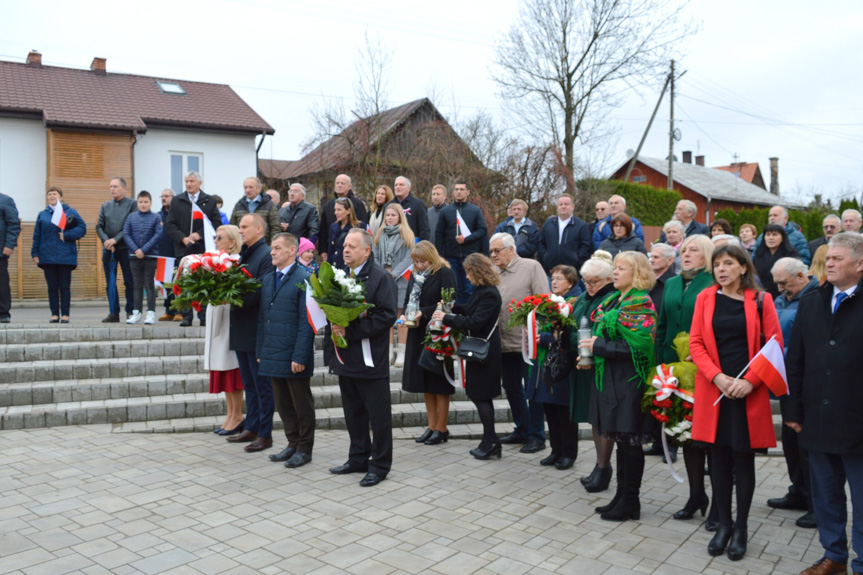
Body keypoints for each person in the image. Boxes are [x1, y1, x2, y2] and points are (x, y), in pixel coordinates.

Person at [689, 244, 782, 561]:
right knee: (717, 460)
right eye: (717, 264)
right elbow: (696, 342)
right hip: (715, 390)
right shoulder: (705, 298)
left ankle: (741, 528)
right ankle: (723, 525)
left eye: (728, 263)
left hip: (747, 393)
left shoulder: (761, 300)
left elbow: (774, 345)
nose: (721, 269)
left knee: (743, 461)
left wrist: (749, 382)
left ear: (744, 267)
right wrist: (718, 377)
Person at [785, 233, 863, 575]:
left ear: (860, 264)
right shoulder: (812, 300)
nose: (828, 263)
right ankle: (834, 557)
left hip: (858, 422)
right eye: (828, 258)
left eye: (837, 259)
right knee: (826, 496)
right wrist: (792, 410)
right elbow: (796, 359)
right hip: (817, 417)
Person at [578, 251, 657, 522]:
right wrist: (590, 354)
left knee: (630, 444)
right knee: (622, 444)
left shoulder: (640, 303)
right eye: (615, 267)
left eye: (621, 268)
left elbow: (639, 347)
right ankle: (621, 497)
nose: (615, 272)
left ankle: (630, 500)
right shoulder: (613, 299)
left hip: (629, 382)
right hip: (609, 378)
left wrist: (597, 346)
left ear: (638, 274)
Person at [653, 235, 716, 522]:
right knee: (685, 435)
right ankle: (695, 495)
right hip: (673, 370)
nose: (687, 254)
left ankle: (718, 504)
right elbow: (663, 325)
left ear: (707, 255)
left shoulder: (713, 282)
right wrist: (659, 366)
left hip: (703, 370)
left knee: (708, 439)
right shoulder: (673, 283)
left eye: (694, 250)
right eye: (685, 250)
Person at [327, 229, 397, 486]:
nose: (346, 250)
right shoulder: (342, 275)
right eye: (345, 245)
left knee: (378, 416)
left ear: (367, 250)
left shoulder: (380, 277)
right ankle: (357, 458)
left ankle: (379, 465)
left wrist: (351, 331)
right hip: (346, 357)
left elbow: (386, 316)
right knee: (353, 412)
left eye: (352, 246)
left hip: (370, 358)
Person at [432, 253, 503, 460]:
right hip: (478, 353)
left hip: (485, 355)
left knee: (482, 397)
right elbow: (472, 312)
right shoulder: (482, 291)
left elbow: (475, 322)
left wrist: (447, 318)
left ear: (477, 271)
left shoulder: (489, 293)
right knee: (478, 395)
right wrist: (454, 307)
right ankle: (489, 440)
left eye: (469, 272)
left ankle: (492, 441)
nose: (467, 276)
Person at [256, 233, 316, 468]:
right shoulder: (269, 279)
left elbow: (307, 321)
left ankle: (305, 447)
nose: (272, 252)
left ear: (293, 250)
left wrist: (300, 355)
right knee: (282, 403)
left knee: (301, 403)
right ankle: (292, 443)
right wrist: (261, 348)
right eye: (272, 248)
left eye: (278, 248)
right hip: (273, 351)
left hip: (293, 354)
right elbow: (263, 317)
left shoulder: (305, 278)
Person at [768, 257, 820, 529]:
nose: (779, 289)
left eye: (784, 283)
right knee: (789, 442)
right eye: (776, 283)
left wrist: (780, 357)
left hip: (804, 381)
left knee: (806, 446)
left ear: (801, 276)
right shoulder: (783, 300)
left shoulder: (817, 299)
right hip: (784, 380)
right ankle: (798, 492)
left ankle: (817, 504)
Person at [490, 232, 550, 453]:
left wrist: (541, 335)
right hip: (503, 343)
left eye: (497, 251)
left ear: (511, 250)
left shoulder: (531, 267)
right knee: (512, 388)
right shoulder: (493, 271)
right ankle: (522, 428)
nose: (493, 255)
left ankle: (537, 435)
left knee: (532, 390)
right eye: (492, 252)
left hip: (528, 343)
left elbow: (544, 301)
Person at [225, 214, 276, 451]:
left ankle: (265, 433)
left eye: (244, 227)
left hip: (256, 330)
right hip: (241, 328)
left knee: (262, 385)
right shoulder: (244, 253)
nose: (240, 230)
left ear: (258, 229)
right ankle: (252, 426)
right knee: (250, 384)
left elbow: (260, 290)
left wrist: (230, 297)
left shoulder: (265, 255)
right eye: (240, 227)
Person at [400, 241, 458, 445]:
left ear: (431, 257)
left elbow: (449, 303)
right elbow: (409, 298)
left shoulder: (444, 272)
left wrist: (422, 312)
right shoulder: (415, 274)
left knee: (439, 382)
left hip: (438, 333)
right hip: (418, 332)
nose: (420, 265)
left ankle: (442, 428)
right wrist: (405, 315)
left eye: (423, 261)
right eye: (416, 261)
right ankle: (431, 426)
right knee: (425, 381)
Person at [524, 264, 580, 469]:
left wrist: (545, 337)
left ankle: (569, 453)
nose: (554, 282)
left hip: (563, 366)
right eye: (553, 278)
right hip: (546, 364)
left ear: (571, 283)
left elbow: (566, 333)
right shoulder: (548, 302)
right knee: (550, 409)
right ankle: (556, 450)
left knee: (564, 412)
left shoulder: (574, 302)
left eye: (559, 278)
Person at [570, 252, 616, 492]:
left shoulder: (610, 299)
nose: (589, 286)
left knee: (601, 420)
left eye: (594, 282)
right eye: (586, 281)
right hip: (581, 364)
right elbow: (572, 324)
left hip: (601, 365)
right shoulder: (582, 298)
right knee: (593, 420)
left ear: (609, 279)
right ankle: (600, 466)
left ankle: (604, 466)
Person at [201, 225, 246, 436]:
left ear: (232, 242)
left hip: (229, 318)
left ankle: (237, 414)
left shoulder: (235, 263)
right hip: (217, 315)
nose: (216, 241)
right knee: (221, 366)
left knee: (231, 367)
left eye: (221, 238)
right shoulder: (216, 261)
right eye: (215, 237)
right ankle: (230, 414)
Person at [164, 171, 223, 327]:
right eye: (186, 181)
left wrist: (199, 234)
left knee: (203, 282)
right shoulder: (177, 201)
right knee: (184, 283)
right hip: (183, 248)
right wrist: (183, 238)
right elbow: (169, 224)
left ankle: (203, 316)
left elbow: (216, 223)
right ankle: (186, 316)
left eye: (192, 181)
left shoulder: (209, 201)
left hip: (202, 248)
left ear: (199, 183)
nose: (189, 184)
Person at [31, 187, 86, 323]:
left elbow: (82, 228)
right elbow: (37, 235)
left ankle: (65, 314)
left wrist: (67, 235)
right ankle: (54, 314)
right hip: (47, 255)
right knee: (52, 287)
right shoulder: (42, 214)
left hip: (65, 255)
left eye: (54, 194)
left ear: (61, 197)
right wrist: (35, 252)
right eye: (49, 194)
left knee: (64, 287)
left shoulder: (70, 211)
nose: (51, 196)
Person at [373, 203, 415, 363]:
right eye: (388, 215)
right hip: (384, 278)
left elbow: (409, 257)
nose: (390, 218)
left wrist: (394, 274)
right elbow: (374, 256)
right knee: (387, 316)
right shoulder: (379, 234)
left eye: (393, 215)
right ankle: (389, 350)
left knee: (400, 315)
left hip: (401, 278)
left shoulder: (407, 234)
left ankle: (402, 351)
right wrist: (383, 274)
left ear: (399, 217)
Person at [435, 180, 487, 305]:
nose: (459, 192)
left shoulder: (475, 211)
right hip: (450, 257)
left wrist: (466, 239)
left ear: (468, 192)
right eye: (456, 189)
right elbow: (439, 233)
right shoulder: (445, 211)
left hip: (470, 257)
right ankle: (455, 316)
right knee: (454, 289)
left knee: (469, 289)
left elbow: (482, 230)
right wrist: (439, 254)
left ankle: (468, 316)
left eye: (462, 189)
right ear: (453, 192)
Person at [96, 176, 136, 323]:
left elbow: (130, 224)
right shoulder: (105, 205)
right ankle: (113, 313)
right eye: (111, 186)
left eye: (115, 186)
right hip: (109, 250)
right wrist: (107, 241)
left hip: (126, 248)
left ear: (124, 188)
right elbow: (99, 226)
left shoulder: (132, 204)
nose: (112, 189)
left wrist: (116, 239)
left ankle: (131, 312)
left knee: (129, 282)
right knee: (110, 282)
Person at [122, 191, 162, 325]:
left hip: (150, 256)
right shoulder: (131, 217)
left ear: (150, 203)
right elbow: (126, 234)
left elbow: (157, 235)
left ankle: (151, 314)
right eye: (141, 202)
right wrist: (136, 250)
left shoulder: (156, 217)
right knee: (136, 285)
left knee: (149, 285)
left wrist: (144, 250)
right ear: (137, 203)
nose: (143, 204)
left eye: (146, 202)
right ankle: (136, 313)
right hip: (134, 256)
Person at [537, 194, 593, 277]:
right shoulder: (548, 223)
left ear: (573, 206)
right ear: (557, 207)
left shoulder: (581, 225)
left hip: (572, 273)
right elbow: (541, 242)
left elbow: (586, 246)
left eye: (566, 204)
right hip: (550, 271)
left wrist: (577, 260)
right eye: (561, 204)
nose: (563, 206)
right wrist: (545, 257)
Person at [318, 174, 368, 258]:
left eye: (342, 183)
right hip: (333, 251)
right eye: (337, 183)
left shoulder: (358, 204)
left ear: (349, 186)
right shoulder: (329, 205)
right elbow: (323, 230)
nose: (339, 185)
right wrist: (323, 250)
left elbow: (362, 230)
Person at [753, 223, 800, 298]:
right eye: (768, 235)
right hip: (762, 296)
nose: (771, 238)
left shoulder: (791, 255)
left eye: (774, 235)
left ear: (782, 238)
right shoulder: (758, 255)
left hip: (785, 295)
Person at [229, 177, 280, 242]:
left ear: (259, 188)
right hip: (242, 246)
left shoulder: (269, 205)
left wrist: (271, 246)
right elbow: (232, 226)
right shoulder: (239, 205)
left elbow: (275, 227)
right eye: (245, 187)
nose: (247, 190)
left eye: (250, 187)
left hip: (262, 246)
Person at [157, 189, 180, 322]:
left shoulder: (178, 214)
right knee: (165, 284)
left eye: (167, 196)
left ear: (173, 198)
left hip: (176, 253)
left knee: (177, 283)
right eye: (162, 196)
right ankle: (169, 311)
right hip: (162, 254)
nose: (164, 198)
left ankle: (180, 311)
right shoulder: (158, 216)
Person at [328, 198, 370, 271]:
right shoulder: (333, 227)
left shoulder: (360, 226)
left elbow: (365, 248)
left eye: (339, 210)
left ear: (348, 211)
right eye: (335, 209)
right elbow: (330, 250)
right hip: (336, 268)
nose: (335, 212)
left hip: (352, 268)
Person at [0, 190, 20, 323]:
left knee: (1, 283)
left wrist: (9, 244)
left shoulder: (5, 200)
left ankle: (3, 313)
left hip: (0, 250)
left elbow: (14, 224)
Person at [393, 176, 429, 241]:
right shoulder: (388, 206)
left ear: (409, 188)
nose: (398, 187)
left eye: (401, 185)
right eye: (396, 185)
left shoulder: (418, 205)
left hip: (412, 245)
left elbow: (424, 230)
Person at [648, 243, 677, 314]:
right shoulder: (646, 279)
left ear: (669, 261)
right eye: (651, 257)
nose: (651, 260)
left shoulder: (675, 283)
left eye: (656, 257)